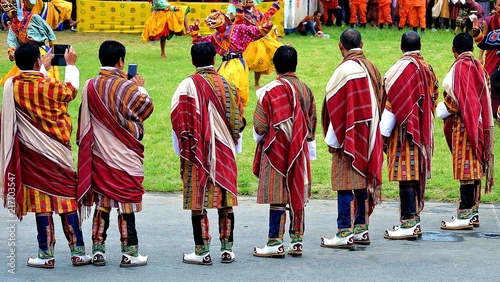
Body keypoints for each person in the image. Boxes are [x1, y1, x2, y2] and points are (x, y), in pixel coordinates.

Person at [0, 42, 91, 268]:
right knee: (66, 198)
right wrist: (70, 65)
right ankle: (78, 251)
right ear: (37, 61)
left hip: (32, 152)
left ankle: (45, 254)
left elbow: (31, 83)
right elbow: (70, 90)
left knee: (42, 204)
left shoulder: (12, 85)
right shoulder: (50, 85)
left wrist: (42, 67)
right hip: (58, 151)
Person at [77, 40, 154, 267]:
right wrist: (139, 86)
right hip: (125, 154)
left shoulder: (89, 85)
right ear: (121, 61)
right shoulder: (128, 87)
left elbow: (84, 120)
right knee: (126, 202)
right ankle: (129, 253)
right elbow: (146, 108)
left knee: (102, 201)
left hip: (99, 154)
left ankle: (98, 251)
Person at [170, 42, 244, 265]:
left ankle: (201, 252)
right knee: (225, 200)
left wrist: (183, 148)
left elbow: (178, 120)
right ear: (214, 60)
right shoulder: (230, 86)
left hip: (197, 153)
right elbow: (239, 121)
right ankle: (227, 250)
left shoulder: (186, 86)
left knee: (198, 201)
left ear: (193, 61)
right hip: (224, 150)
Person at [320, 29, 385, 249]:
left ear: (340, 46)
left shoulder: (345, 69)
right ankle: (361, 229)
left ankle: (344, 231)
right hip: (369, 134)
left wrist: (334, 137)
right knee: (361, 181)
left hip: (348, 134)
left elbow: (333, 105)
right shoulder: (373, 68)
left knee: (345, 182)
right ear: (362, 44)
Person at [253, 45, 317, 258]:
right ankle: (297, 241)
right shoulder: (306, 89)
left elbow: (259, 126)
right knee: (296, 191)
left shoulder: (269, 90)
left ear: (275, 66)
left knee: (278, 196)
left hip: (275, 149)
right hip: (299, 150)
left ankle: (275, 242)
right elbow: (311, 123)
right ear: (295, 64)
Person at [380, 31, 439, 240]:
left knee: (405, 173)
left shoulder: (402, 68)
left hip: (404, 129)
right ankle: (413, 222)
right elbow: (434, 96)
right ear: (420, 45)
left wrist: (383, 132)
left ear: (401, 47)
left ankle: (408, 224)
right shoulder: (428, 68)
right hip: (422, 128)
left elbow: (392, 101)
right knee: (414, 173)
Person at [436, 33, 494, 230]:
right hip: (480, 124)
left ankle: (465, 214)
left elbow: (456, 100)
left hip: (464, 125)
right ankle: (473, 213)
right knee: (476, 167)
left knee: (466, 169)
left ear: (454, 50)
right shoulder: (481, 68)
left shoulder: (460, 67)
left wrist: (442, 109)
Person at [189, 9, 273, 108]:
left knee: (232, 90)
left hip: (237, 63)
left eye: (216, 18)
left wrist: (267, 25)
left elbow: (256, 32)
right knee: (222, 91)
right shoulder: (214, 37)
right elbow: (199, 42)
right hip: (224, 64)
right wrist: (195, 30)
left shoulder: (238, 29)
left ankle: (237, 116)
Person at [0, 1, 59, 85]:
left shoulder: (33, 17)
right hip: (26, 52)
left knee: (45, 78)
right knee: (23, 80)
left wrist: (55, 49)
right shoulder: (13, 25)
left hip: (40, 51)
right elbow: (11, 41)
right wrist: (12, 51)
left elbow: (49, 32)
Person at [234, 0, 282, 89]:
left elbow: (265, 17)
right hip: (247, 41)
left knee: (259, 61)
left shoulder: (257, 12)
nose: (250, 1)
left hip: (258, 39)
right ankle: (242, 82)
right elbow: (238, 25)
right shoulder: (241, 13)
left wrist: (274, 7)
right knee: (245, 63)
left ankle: (256, 82)